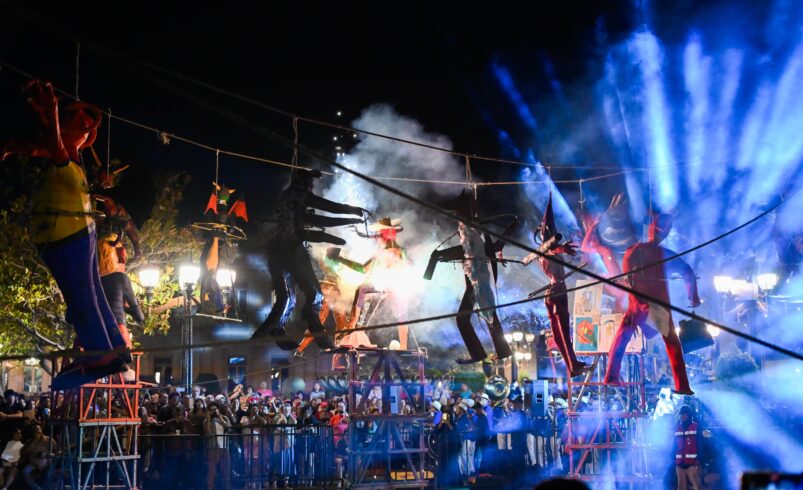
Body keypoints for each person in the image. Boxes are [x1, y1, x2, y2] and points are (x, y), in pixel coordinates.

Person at [2, 81, 130, 388]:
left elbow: (55, 149)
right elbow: (47, 148)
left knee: (81, 297)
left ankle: (100, 355)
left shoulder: (66, 162)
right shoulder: (74, 166)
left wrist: (53, 111)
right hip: (76, 232)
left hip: (62, 236)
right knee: (90, 292)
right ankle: (113, 345)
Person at [252, 168, 366, 349]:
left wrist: (339, 228)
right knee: (314, 293)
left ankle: (273, 329)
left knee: (286, 296)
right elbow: (328, 210)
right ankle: (313, 329)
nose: (312, 186)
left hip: (277, 249)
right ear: (303, 181)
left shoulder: (286, 197)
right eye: (310, 182)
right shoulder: (299, 196)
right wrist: (353, 214)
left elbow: (309, 223)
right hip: (292, 251)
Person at [604, 214, 700, 395]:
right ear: (665, 233)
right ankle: (682, 385)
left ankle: (611, 375)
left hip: (637, 304)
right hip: (658, 306)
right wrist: (693, 297)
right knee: (672, 344)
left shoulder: (633, 251)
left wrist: (634, 293)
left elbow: (629, 277)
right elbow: (688, 273)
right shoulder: (664, 254)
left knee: (622, 338)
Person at [523, 194, 592, 377]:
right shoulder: (545, 251)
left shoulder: (542, 252)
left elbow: (552, 250)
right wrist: (562, 248)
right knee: (562, 332)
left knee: (560, 333)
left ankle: (573, 365)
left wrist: (562, 249)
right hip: (556, 291)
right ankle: (573, 365)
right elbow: (553, 250)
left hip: (553, 291)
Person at [674, 405, 703, 490]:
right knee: (680, 486)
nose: (682, 416)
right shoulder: (677, 428)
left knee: (696, 485)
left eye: (684, 414)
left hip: (692, 463)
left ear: (689, 415)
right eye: (681, 414)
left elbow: (700, 445)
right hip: (679, 463)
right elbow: (674, 445)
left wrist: (699, 461)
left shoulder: (696, 427)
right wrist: (673, 459)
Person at [203, 402, 231, 490]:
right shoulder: (207, 420)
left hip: (224, 446)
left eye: (215, 409)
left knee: (226, 468)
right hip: (213, 447)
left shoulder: (225, 418)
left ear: (219, 409)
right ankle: (210, 487)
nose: (214, 411)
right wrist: (208, 418)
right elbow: (207, 433)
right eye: (211, 410)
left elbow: (229, 429)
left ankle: (225, 486)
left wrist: (220, 418)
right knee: (212, 469)